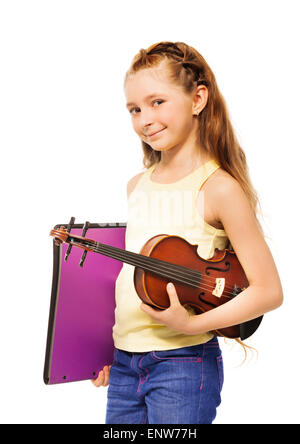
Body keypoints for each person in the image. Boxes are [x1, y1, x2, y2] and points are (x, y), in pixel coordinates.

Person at [91, 41, 283, 424]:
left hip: (184, 362)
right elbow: (128, 279)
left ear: (197, 99)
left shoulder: (218, 188)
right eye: (134, 109)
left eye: (157, 102)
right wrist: (106, 352)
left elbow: (269, 291)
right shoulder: (136, 186)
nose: (145, 118)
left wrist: (192, 324)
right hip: (124, 365)